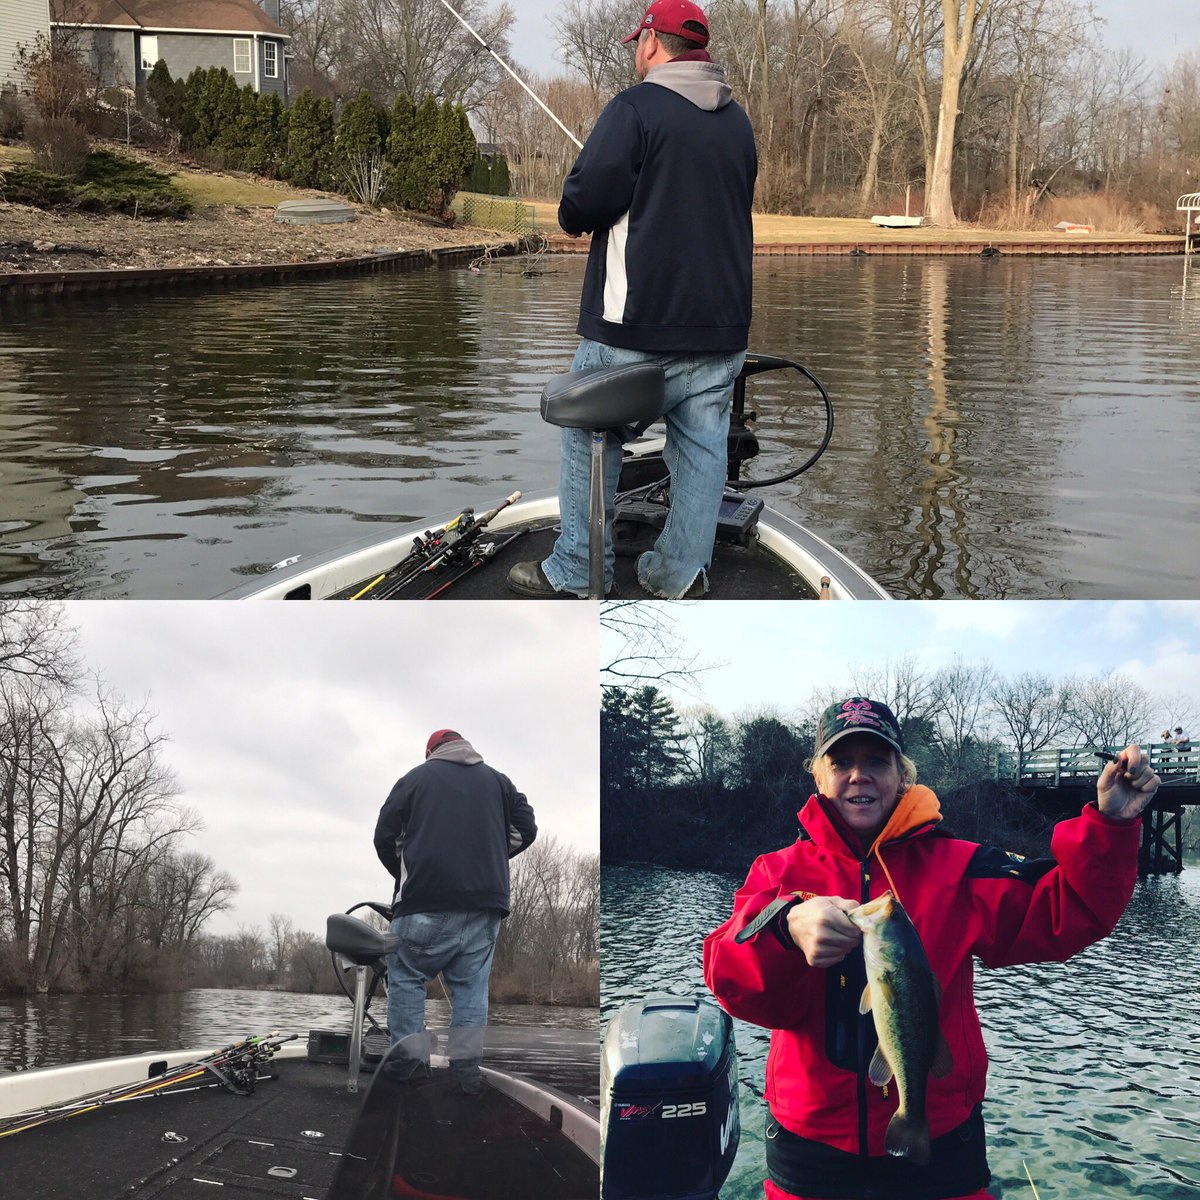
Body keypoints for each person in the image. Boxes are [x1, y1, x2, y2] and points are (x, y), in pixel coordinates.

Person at [703, 696, 1161, 1200]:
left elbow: (1068, 913)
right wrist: (785, 930)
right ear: (818, 776)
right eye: (841, 762)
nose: (859, 776)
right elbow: (730, 979)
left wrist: (1111, 826)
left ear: (902, 775)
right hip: (811, 1148)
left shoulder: (960, 867)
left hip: (941, 1143)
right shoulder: (778, 873)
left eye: (876, 761)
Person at [507, 0, 757, 600]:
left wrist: (576, 196)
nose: (634, 51)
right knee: (700, 451)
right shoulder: (738, 123)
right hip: (720, 331)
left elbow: (580, 209)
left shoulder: (635, 109)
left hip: (631, 329)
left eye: (637, 41)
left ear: (651, 42)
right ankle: (678, 575)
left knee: (590, 434)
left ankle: (574, 571)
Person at [373, 729, 536, 1092]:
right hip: (485, 907)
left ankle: (410, 1065)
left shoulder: (414, 779)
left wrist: (405, 876)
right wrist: (487, 855)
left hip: (423, 903)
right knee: (472, 992)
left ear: (431, 752)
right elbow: (526, 828)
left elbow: (383, 836)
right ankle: (465, 1075)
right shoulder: (500, 782)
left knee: (406, 976)